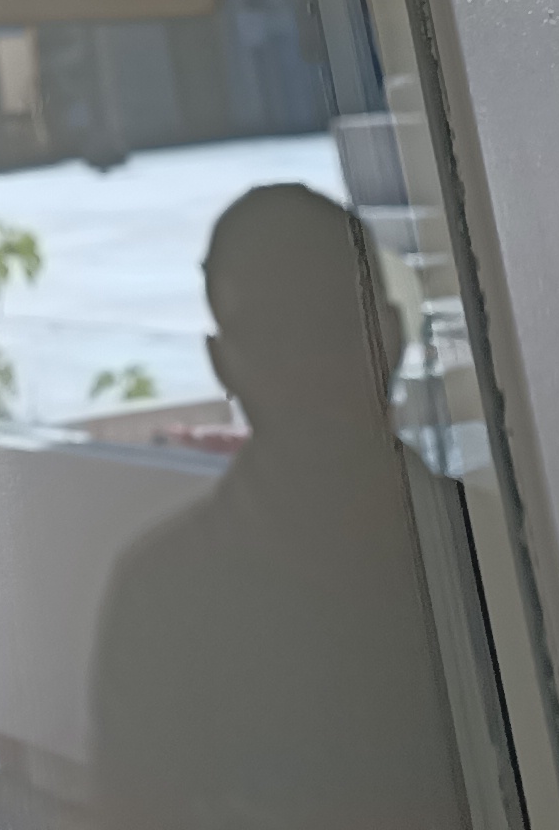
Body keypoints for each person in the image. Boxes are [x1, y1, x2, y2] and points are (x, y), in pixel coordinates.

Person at [88, 185, 476, 830]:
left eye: (330, 322)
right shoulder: (161, 597)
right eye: (273, 334)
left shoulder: (482, 556)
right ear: (223, 363)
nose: (309, 364)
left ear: (391, 334)